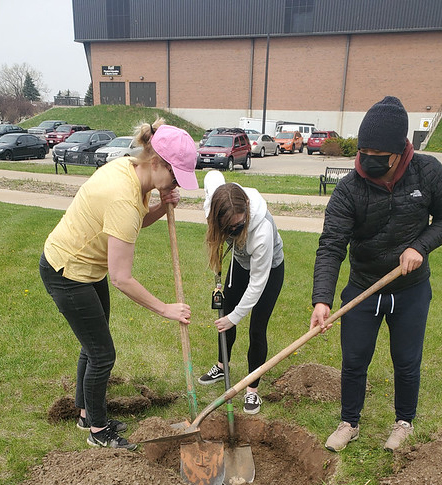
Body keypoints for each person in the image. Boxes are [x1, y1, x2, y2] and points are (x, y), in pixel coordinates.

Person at [39, 119, 198, 450]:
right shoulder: (122, 196)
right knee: (102, 354)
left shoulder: (131, 170)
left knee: (93, 343)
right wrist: (165, 308)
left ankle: (85, 411)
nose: (174, 183)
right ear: (156, 163)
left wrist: (161, 205)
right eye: (174, 175)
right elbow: (122, 277)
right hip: (66, 271)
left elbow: (131, 224)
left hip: (86, 268)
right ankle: (98, 431)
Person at [310, 96, 442, 452]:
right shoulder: (349, 188)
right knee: (354, 359)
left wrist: (421, 246)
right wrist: (322, 298)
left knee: (407, 359)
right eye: (363, 151)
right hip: (363, 286)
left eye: (378, 156)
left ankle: (404, 422)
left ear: (401, 150)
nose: (367, 161)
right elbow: (332, 246)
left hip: (410, 289)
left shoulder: (428, 172)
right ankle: (349, 422)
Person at [198, 170, 284, 414]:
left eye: (239, 226)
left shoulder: (262, 232)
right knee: (224, 316)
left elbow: (258, 283)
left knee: (256, 328)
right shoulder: (214, 206)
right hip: (240, 264)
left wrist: (235, 316)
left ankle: (252, 390)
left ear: (246, 209)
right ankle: (222, 365)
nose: (234, 231)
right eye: (229, 228)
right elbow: (213, 175)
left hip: (269, 270)